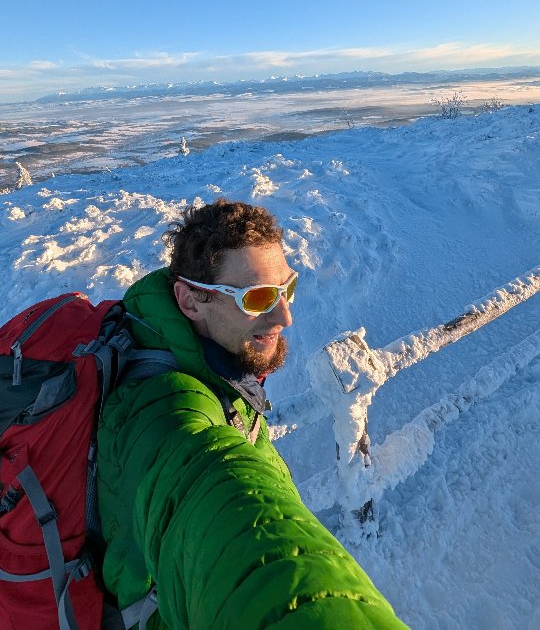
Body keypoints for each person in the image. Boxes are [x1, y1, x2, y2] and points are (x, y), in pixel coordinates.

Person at [97, 198, 409, 629]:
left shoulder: (212, 361)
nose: (285, 314)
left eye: (288, 289)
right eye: (259, 297)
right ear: (189, 301)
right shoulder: (167, 409)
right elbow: (223, 511)